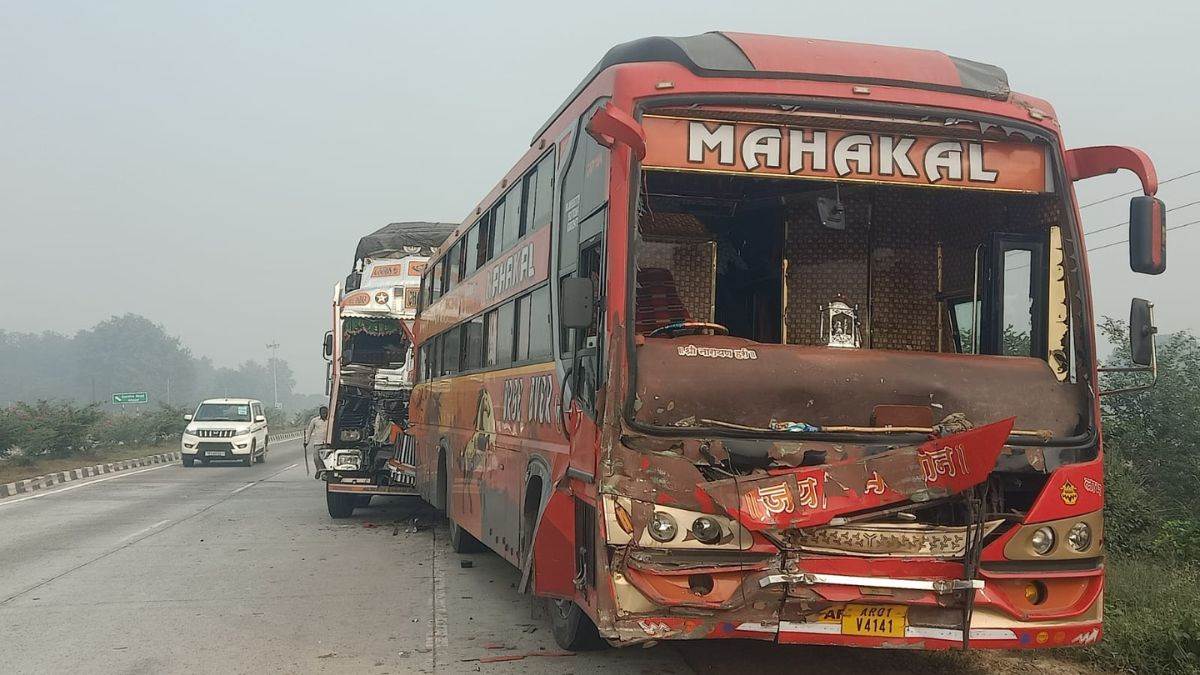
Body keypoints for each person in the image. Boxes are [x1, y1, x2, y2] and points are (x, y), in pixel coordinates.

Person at [304, 406, 329, 474]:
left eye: (325, 413)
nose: (324, 414)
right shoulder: (315, 420)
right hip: (318, 442)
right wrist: (306, 442)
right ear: (320, 413)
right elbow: (309, 431)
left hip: (327, 443)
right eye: (323, 413)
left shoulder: (330, 420)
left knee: (326, 459)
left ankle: (325, 471)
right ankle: (319, 469)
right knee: (316, 458)